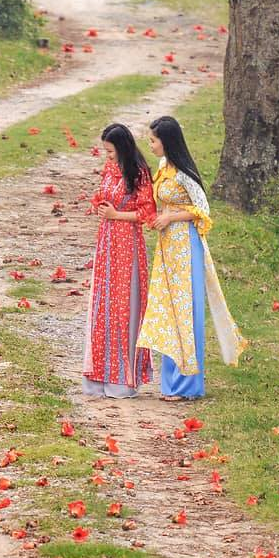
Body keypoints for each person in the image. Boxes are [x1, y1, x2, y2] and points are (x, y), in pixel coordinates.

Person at [135, 115, 246, 401]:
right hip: (168, 246)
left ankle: (187, 385)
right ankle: (171, 382)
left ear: (167, 141)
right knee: (169, 308)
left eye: (154, 140)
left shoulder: (184, 173)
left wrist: (171, 216)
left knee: (185, 309)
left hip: (185, 244)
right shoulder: (163, 167)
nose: (151, 145)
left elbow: (203, 209)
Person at [85, 123, 157, 398]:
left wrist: (117, 215)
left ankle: (123, 378)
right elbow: (103, 194)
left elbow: (146, 214)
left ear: (123, 148)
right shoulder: (110, 168)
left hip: (127, 243)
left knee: (124, 306)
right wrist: (97, 205)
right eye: (106, 151)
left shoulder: (138, 173)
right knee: (104, 305)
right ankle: (100, 375)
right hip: (107, 242)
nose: (109, 156)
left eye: (112, 152)